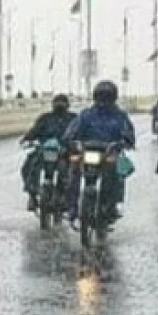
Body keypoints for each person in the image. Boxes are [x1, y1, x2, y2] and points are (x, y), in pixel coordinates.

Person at [62, 80, 136, 223]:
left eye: (107, 97)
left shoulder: (120, 116)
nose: (103, 101)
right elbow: (72, 130)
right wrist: (69, 140)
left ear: (113, 98)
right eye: (101, 97)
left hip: (109, 153)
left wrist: (125, 142)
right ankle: (71, 206)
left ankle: (112, 205)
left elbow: (128, 133)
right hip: (87, 151)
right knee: (73, 171)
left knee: (117, 174)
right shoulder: (86, 115)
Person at [19, 94, 77, 211]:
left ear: (67, 105)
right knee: (28, 167)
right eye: (57, 102)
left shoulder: (73, 119)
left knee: (72, 170)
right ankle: (32, 195)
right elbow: (34, 131)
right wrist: (26, 139)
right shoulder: (45, 118)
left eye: (62, 103)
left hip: (65, 152)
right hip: (44, 152)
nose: (59, 105)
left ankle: (67, 197)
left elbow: (80, 133)